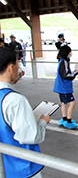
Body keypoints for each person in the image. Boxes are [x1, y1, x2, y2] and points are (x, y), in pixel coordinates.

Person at [0, 47, 50, 178]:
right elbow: (30, 136)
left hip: (4, 166)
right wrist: (42, 123)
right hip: (21, 168)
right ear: (11, 68)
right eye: (17, 65)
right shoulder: (15, 100)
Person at [53, 45, 78, 129]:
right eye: (69, 52)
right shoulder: (64, 62)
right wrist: (76, 72)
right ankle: (68, 120)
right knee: (72, 103)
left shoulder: (61, 61)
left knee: (64, 103)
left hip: (61, 87)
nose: (70, 54)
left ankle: (64, 118)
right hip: (64, 88)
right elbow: (66, 75)